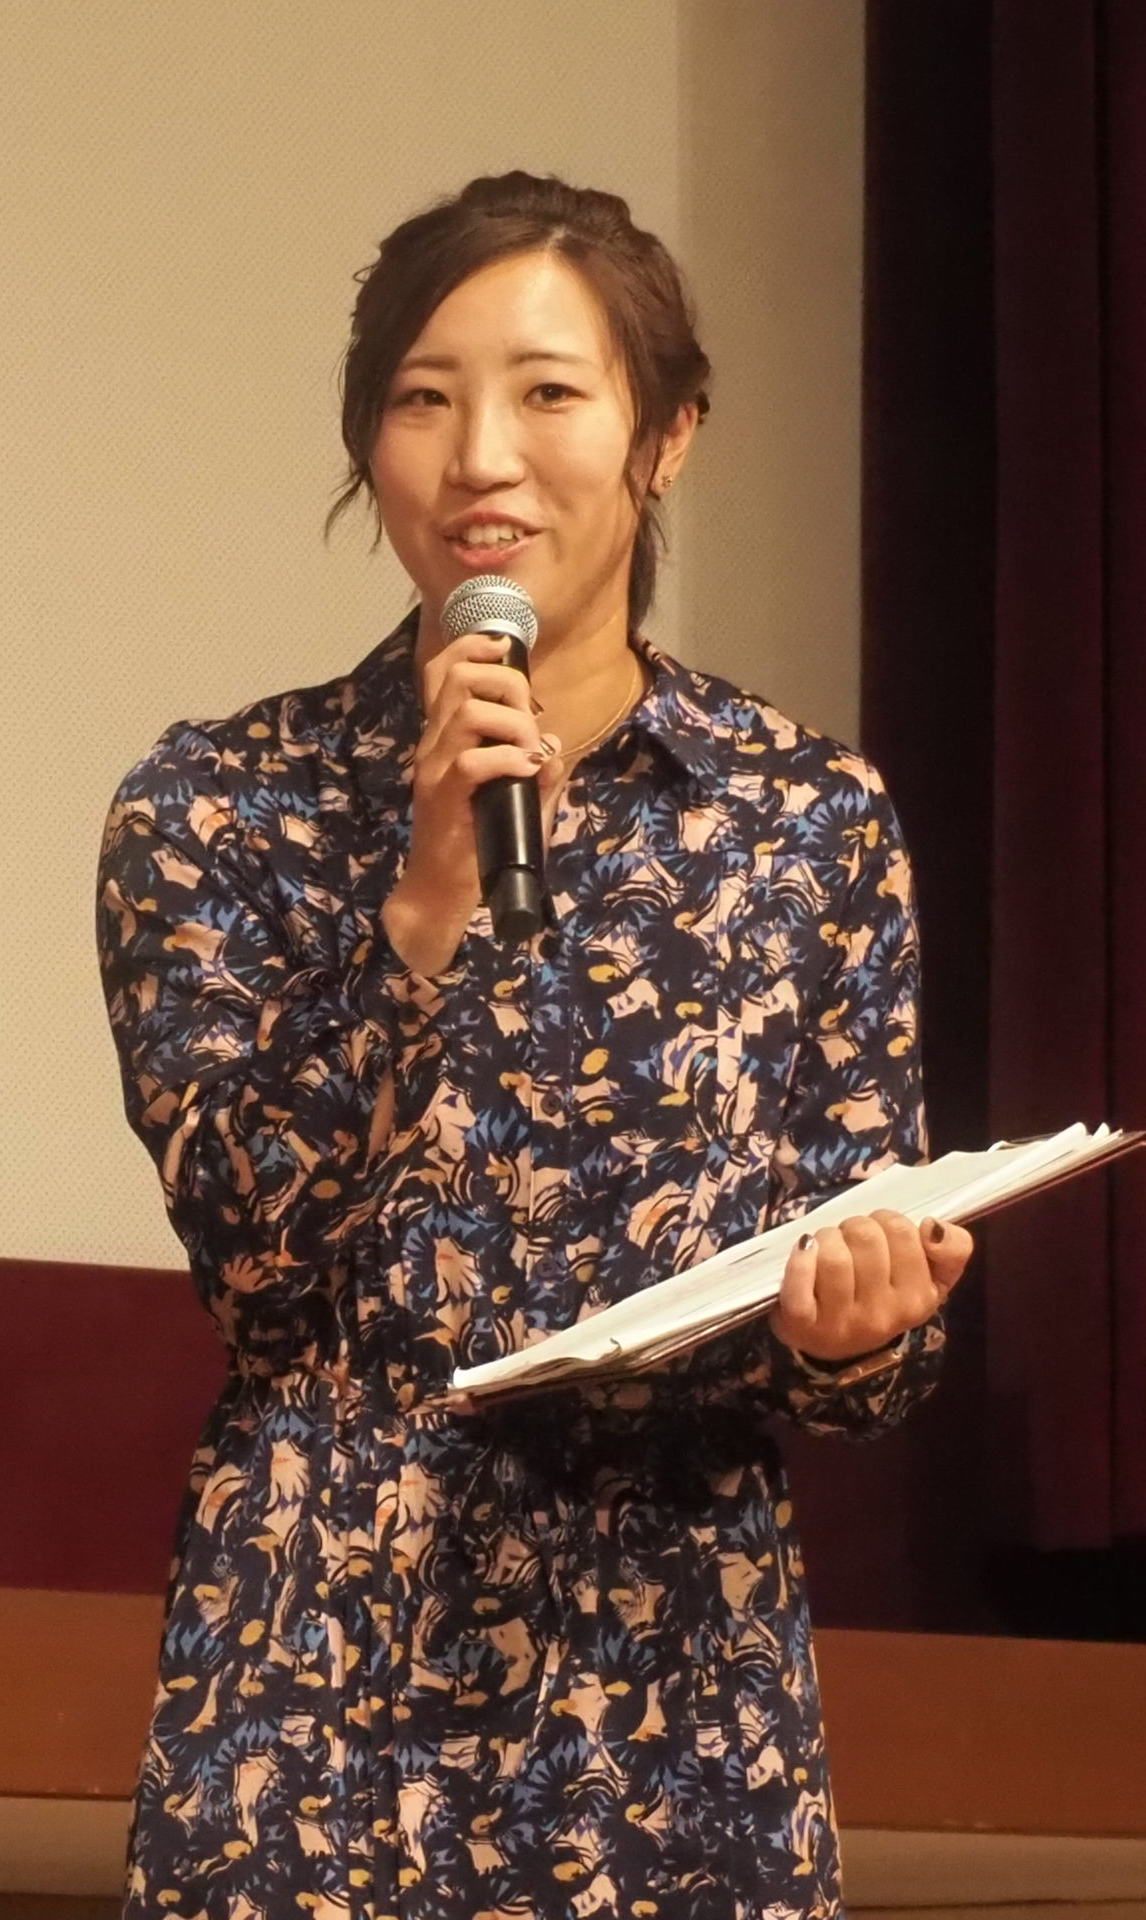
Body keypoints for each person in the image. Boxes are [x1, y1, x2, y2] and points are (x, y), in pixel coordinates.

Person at [95, 172, 973, 1918]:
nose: (483, 457)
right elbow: (257, 1265)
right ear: (369, 447)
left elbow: (867, 1352)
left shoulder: (804, 822)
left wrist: (860, 1331)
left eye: (550, 393)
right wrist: (423, 912)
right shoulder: (221, 807)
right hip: (322, 1662)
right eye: (425, 400)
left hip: (673, 1676)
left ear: (668, 438)